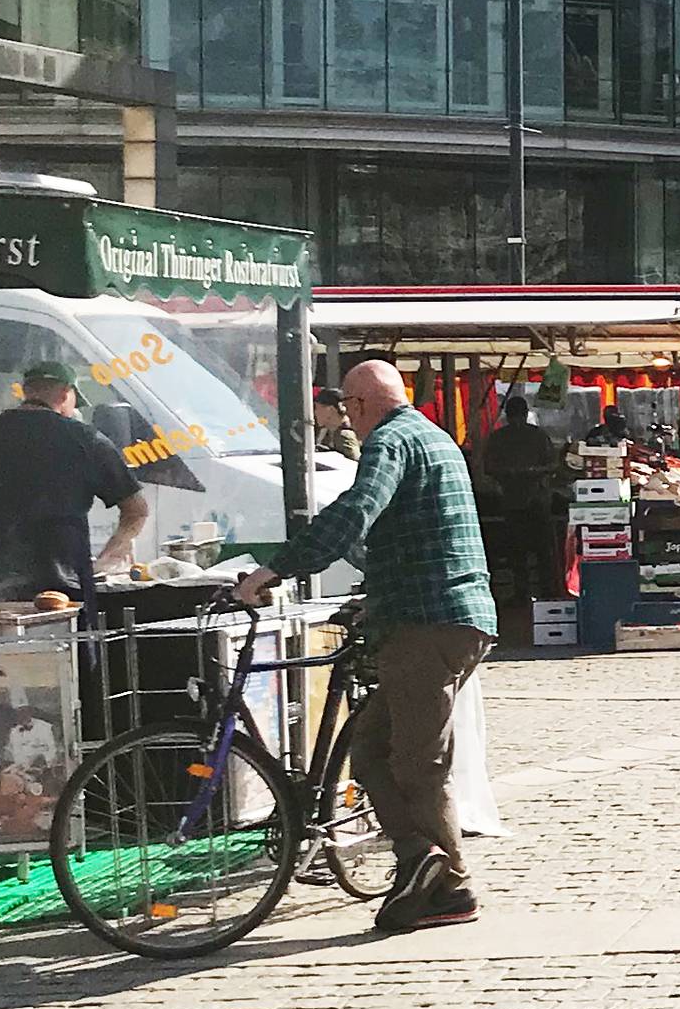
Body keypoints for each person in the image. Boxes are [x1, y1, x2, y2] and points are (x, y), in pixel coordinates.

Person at [233, 361, 496, 932]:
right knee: (375, 750)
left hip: (427, 621)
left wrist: (275, 569)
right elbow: (408, 527)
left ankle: (448, 880)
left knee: (416, 763)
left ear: (357, 405)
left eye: (349, 409)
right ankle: (420, 865)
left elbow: (356, 511)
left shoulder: (390, 441)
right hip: (447, 615)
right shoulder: (434, 436)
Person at [0, 360, 147, 603]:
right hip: (61, 592)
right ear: (64, 394)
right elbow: (136, 510)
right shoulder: (85, 439)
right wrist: (106, 560)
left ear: (27, 391)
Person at [474, 394, 561, 600]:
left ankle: (538, 592)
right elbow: (489, 467)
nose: (517, 422)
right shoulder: (508, 437)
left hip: (528, 499)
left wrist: (528, 472)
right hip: (521, 500)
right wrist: (517, 472)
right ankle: (532, 592)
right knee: (524, 551)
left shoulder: (532, 436)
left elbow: (552, 465)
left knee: (532, 551)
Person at [313, 387, 361, 459]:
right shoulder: (325, 432)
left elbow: (355, 464)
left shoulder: (344, 435)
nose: (315, 412)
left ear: (330, 410)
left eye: (317, 408)